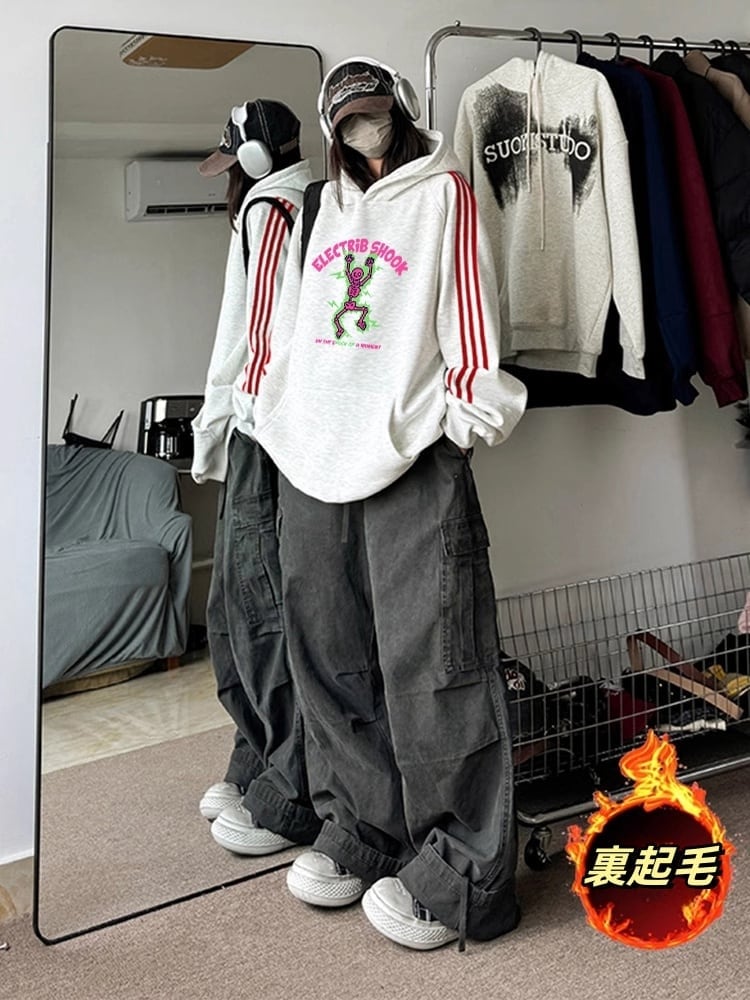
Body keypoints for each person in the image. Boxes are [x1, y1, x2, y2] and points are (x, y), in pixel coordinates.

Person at [252, 59, 527, 950]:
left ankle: (465, 876)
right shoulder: (313, 207)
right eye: (346, 121)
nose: (361, 131)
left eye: (373, 115)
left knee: (436, 662)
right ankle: (364, 831)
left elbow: (473, 316)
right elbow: (283, 324)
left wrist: (462, 421)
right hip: (310, 456)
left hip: (410, 452)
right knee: (329, 655)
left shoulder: (444, 191)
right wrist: (268, 412)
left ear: (400, 113)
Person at [191, 99, 321, 856]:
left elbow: (253, 339)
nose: (226, 181)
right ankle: (257, 757)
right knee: (242, 611)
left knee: (258, 612)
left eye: (230, 164)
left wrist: (223, 426)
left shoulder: (270, 209)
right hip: (269, 428)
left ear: (253, 159)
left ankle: (289, 782)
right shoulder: (301, 200)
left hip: (262, 430)